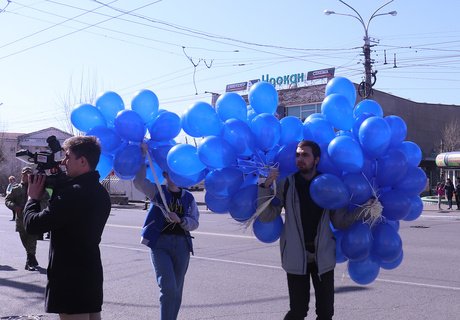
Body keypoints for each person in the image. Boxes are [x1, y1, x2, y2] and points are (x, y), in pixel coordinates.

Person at [258, 140, 369, 320]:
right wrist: (264, 187)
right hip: (295, 256)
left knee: (325, 313)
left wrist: (364, 210)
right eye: (297, 155)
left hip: (323, 257)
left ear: (316, 160)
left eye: (305, 155)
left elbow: (340, 222)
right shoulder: (287, 184)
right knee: (298, 312)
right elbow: (267, 216)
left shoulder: (329, 184)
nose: (300, 158)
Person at [23, 136, 111, 320]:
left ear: (82, 161)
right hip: (91, 274)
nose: (63, 161)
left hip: (70, 277)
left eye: (68, 157)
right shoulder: (100, 191)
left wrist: (32, 199)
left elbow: (33, 224)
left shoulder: (74, 193)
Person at [133, 148, 199, 320]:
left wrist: (181, 221)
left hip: (182, 246)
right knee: (168, 287)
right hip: (160, 244)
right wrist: (141, 156)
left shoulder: (189, 198)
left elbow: (194, 222)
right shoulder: (158, 192)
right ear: (165, 174)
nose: (173, 176)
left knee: (176, 290)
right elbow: (139, 182)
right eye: (170, 173)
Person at [5, 167, 48, 271]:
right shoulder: (16, 189)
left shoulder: (38, 188)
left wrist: (40, 210)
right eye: (25, 174)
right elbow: (7, 200)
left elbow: (46, 200)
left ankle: (29, 262)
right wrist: (15, 207)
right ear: (22, 175)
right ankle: (32, 259)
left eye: (29, 174)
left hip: (33, 219)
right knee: (24, 241)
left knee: (32, 240)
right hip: (21, 221)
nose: (27, 176)